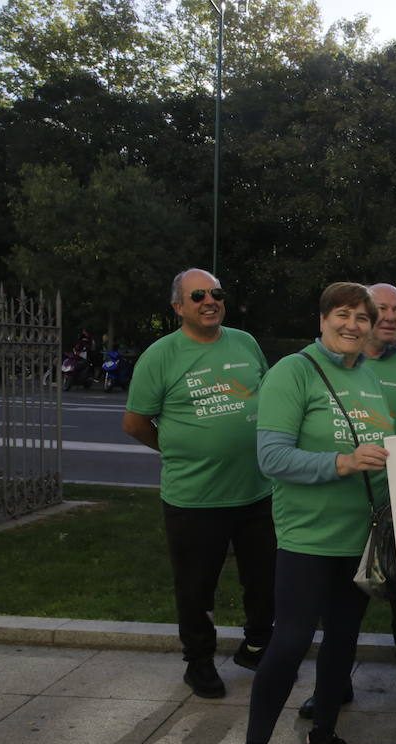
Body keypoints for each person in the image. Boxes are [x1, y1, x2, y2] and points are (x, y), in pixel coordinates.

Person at [222, 282, 392, 744]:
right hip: (307, 538)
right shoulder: (291, 373)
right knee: (289, 643)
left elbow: (378, 454)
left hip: (359, 538)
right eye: (343, 315)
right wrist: (341, 463)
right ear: (322, 320)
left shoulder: (368, 376)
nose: (353, 325)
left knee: (342, 643)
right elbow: (272, 457)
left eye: (363, 318)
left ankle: (322, 738)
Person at [123, 269, 275, 699]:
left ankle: (257, 645)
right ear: (178, 307)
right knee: (196, 586)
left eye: (217, 294)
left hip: (257, 490)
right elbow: (134, 423)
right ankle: (199, 660)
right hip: (195, 498)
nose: (210, 301)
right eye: (198, 296)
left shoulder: (245, 343)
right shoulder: (161, 355)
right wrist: (176, 449)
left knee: (266, 581)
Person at [295, 281, 396, 723]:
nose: (392, 317)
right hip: (342, 505)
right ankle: (333, 683)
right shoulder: (331, 367)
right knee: (337, 602)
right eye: (383, 309)